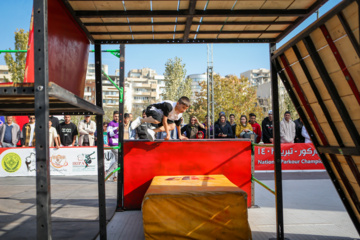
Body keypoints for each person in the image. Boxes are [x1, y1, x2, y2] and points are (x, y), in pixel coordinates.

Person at [107, 111, 120, 181]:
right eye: (115, 116)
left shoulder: (119, 123)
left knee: (117, 161)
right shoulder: (110, 124)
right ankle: (108, 173)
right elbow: (109, 134)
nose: (117, 118)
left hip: (119, 143)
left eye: (118, 116)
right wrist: (116, 129)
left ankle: (115, 176)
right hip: (113, 144)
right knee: (118, 161)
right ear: (113, 116)